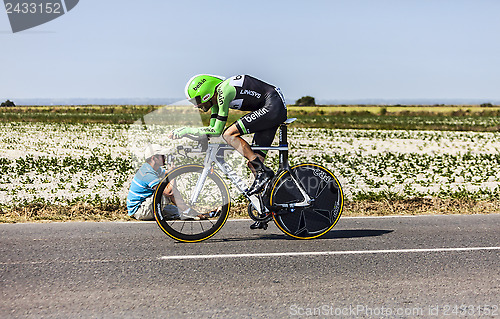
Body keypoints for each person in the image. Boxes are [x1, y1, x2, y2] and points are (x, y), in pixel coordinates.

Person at [169, 74, 288, 229]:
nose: (197, 106)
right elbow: (211, 132)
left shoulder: (224, 91)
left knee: (229, 134)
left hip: (272, 105)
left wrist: (187, 130)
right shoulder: (217, 100)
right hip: (268, 107)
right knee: (254, 164)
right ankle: (265, 210)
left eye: (197, 101)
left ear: (206, 92)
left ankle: (263, 173)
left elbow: (218, 130)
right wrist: (189, 135)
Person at [126, 144, 201, 221]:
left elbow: (167, 173)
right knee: (166, 192)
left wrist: (173, 170)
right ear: (154, 158)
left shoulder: (152, 168)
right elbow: (169, 192)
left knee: (177, 211)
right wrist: (173, 174)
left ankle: (188, 211)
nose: (164, 158)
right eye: (162, 156)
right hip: (140, 211)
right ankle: (187, 211)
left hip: (144, 204)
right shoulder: (147, 174)